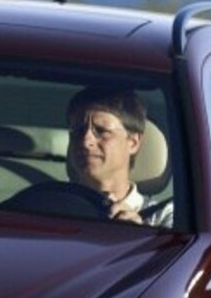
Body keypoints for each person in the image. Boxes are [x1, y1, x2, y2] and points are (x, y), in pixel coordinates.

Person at [64, 86, 172, 227]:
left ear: (133, 143)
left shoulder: (165, 220)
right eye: (78, 130)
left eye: (101, 131)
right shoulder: (47, 206)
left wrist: (140, 235)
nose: (85, 141)